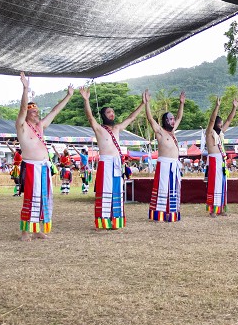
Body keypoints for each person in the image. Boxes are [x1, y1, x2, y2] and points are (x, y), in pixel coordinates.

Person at [16, 73, 74, 240]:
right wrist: (25, 89)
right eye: (33, 112)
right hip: (31, 167)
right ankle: (25, 231)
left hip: (43, 167)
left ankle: (37, 229)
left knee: (43, 198)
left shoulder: (40, 126)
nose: (36, 114)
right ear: (27, 114)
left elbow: (55, 111)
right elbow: (22, 109)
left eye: (37, 111)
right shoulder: (22, 126)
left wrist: (68, 96)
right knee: (30, 198)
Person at [79, 86, 145, 229]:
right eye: (109, 112)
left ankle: (116, 220)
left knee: (117, 190)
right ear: (103, 115)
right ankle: (104, 221)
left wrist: (143, 104)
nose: (112, 114)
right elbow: (90, 117)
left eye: (113, 112)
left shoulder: (117, 128)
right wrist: (86, 100)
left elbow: (131, 118)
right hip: (106, 162)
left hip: (117, 163)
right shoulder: (99, 128)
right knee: (105, 191)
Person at [144, 90, 185, 222]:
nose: (173, 121)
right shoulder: (160, 132)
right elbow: (150, 119)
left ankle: (172, 213)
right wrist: (147, 103)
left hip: (174, 164)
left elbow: (179, 117)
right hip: (164, 164)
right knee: (162, 188)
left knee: (173, 189)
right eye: (170, 119)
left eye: (173, 119)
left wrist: (181, 103)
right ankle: (160, 214)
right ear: (165, 121)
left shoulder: (173, 132)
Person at [204, 96, 238, 216]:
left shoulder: (220, 134)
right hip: (213, 160)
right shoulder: (209, 132)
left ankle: (221, 208)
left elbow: (229, 120)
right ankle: (213, 210)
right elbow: (211, 120)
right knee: (214, 184)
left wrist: (234, 108)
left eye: (221, 123)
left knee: (222, 184)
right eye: (219, 123)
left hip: (222, 161)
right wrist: (217, 106)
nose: (221, 125)